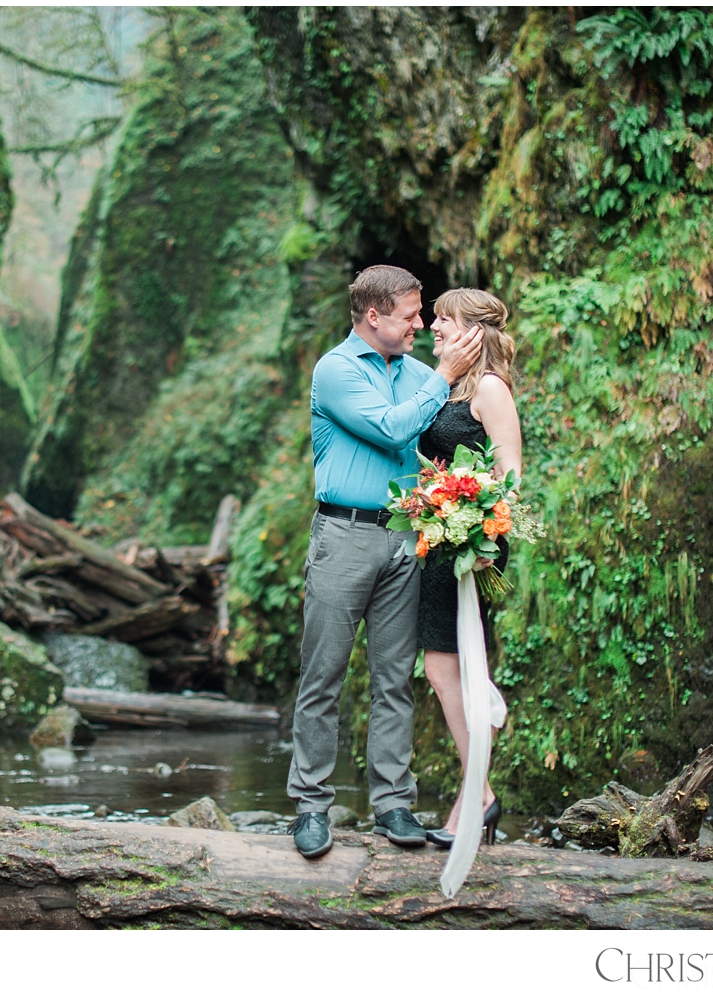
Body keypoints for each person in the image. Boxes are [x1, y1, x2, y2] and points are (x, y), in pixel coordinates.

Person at [287, 265, 482, 859]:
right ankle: (311, 806)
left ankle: (394, 803)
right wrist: (444, 377)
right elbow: (392, 427)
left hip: (405, 538)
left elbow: (453, 424)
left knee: (395, 678)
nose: (421, 324)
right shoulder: (336, 371)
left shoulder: (422, 374)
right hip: (342, 537)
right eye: (411, 315)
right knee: (324, 676)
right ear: (374, 316)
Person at [414, 288, 521, 857]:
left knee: (441, 664)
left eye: (444, 320)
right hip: (438, 534)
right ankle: (474, 791)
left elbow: (511, 474)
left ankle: (476, 797)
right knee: (443, 664)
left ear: (473, 330)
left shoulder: (490, 388)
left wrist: (483, 532)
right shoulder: (448, 385)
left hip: (473, 543)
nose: (434, 326)